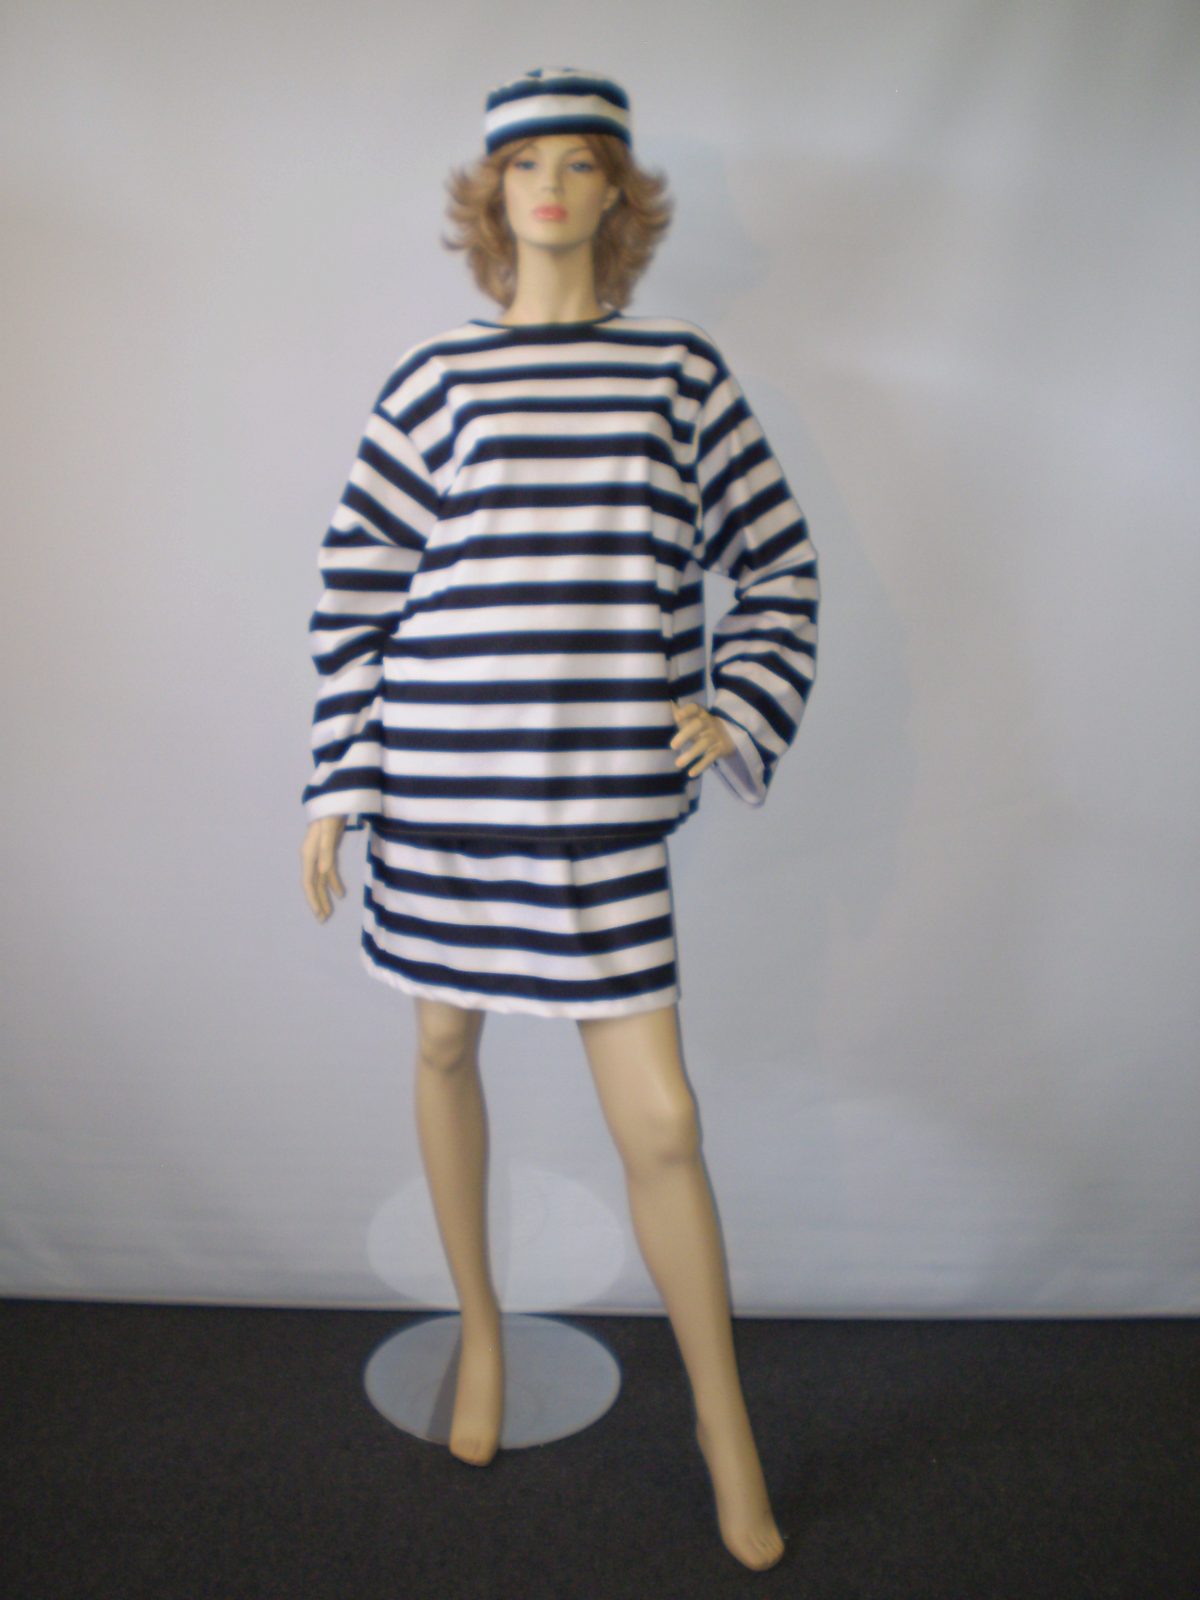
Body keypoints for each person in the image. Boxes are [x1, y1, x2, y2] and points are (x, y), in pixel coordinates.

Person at [299, 65, 819, 1574]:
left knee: (662, 1121)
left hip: (597, 809)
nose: (549, 185)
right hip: (442, 794)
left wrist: (738, 707)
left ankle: (725, 1430)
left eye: (581, 161)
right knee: (441, 1046)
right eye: (524, 162)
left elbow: (777, 565)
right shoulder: (432, 383)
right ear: (490, 194)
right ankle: (480, 1330)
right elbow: (355, 600)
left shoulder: (680, 378)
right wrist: (340, 780)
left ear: (617, 194)